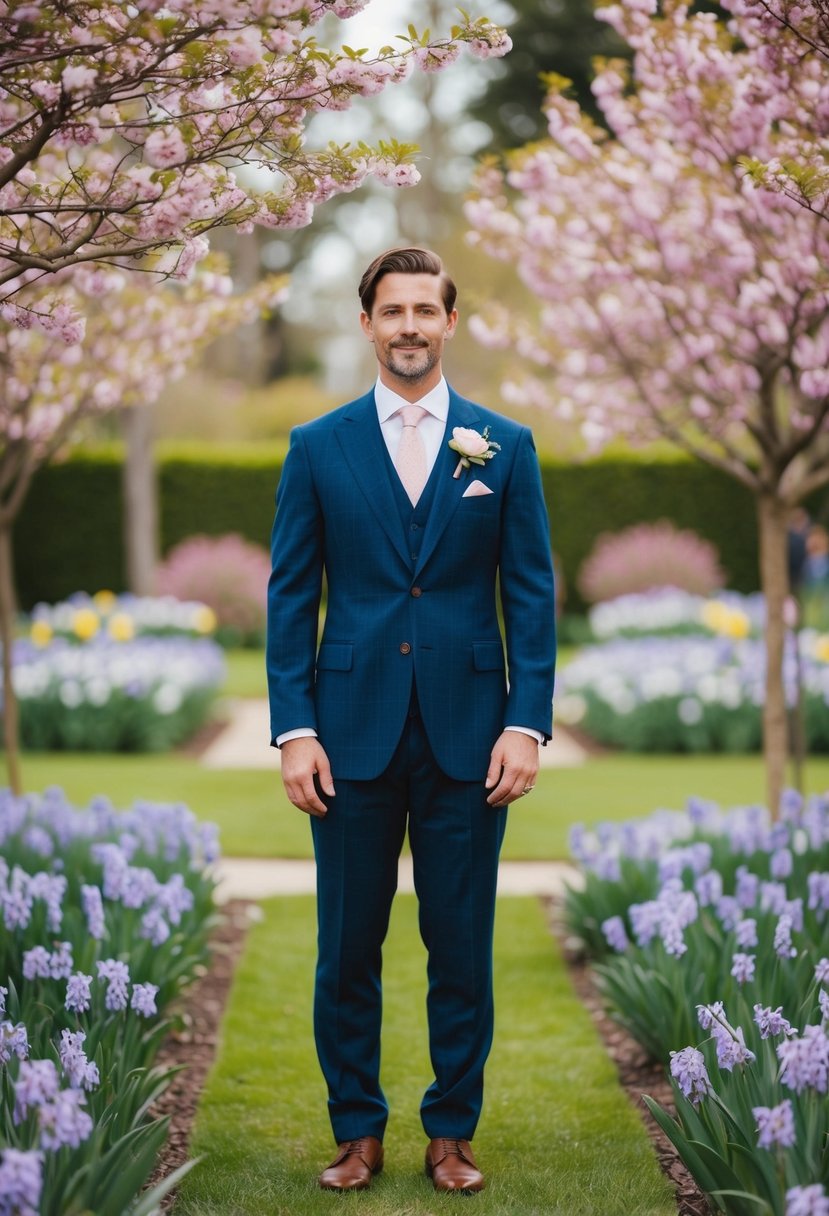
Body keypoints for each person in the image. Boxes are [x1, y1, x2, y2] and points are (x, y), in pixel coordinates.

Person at [266, 247, 556, 1194]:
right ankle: (357, 1130)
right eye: (390, 311)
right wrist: (293, 728)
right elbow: (288, 595)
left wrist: (527, 723)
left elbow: (531, 594)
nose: (408, 327)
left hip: (471, 735)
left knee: (460, 944)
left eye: (424, 310)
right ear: (365, 325)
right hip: (346, 735)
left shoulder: (502, 446)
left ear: (449, 323)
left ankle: (451, 1132)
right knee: (347, 945)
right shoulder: (317, 445)